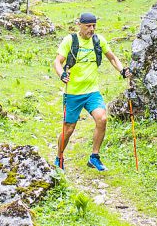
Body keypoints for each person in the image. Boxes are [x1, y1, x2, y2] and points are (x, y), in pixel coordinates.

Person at [53, 12, 132, 171]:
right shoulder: (70, 41)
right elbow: (57, 62)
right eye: (88, 26)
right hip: (73, 93)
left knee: (102, 119)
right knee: (68, 129)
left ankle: (94, 157)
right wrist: (62, 74)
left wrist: (122, 70)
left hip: (92, 92)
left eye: (94, 26)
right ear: (79, 25)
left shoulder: (98, 40)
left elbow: (112, 58)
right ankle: (59, 157)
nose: (92, 29)